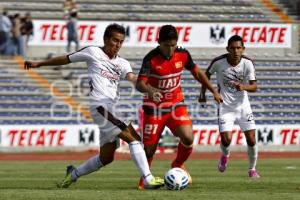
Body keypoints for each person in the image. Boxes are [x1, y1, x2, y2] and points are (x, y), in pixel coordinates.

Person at [24, 23, 164, 189]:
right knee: (134, 139)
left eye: (121, 41)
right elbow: (66, 58)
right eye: (114, 40)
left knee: (106, 158)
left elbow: (133, 79)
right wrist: (40, 64)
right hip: (100, 105)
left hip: (110, 108)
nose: (118, 45)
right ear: (105, 39)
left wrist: (148, 90)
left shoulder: (123, 63)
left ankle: (73, 174)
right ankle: (147, 179)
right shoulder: (93, 52)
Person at [136, 24, 223, 189]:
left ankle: (177, 164)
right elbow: (140, 83)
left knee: (188, 137)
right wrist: (150, 89)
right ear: (159, 42)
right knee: (149, 149)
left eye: (173, 45)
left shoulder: (183, 54)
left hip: (176, 104)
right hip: (153, 109)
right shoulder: (150, 58)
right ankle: (145, 179)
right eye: (166, 45)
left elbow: (197, 72)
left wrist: (213, 90)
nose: (170, 49)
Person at [199, 35, 260, 178]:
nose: (236, 51)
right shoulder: (218, 62)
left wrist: (243, 86)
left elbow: (254, 87)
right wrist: (203, 93)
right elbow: (205, 76)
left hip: (243, 106)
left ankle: (252, 169)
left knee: (251, 139)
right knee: (226, 140)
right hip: (225, 106)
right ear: (227, 49)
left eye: (239, 48)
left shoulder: (248, 63)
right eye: (232, 48)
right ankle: (225, 155)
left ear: (243, 49)